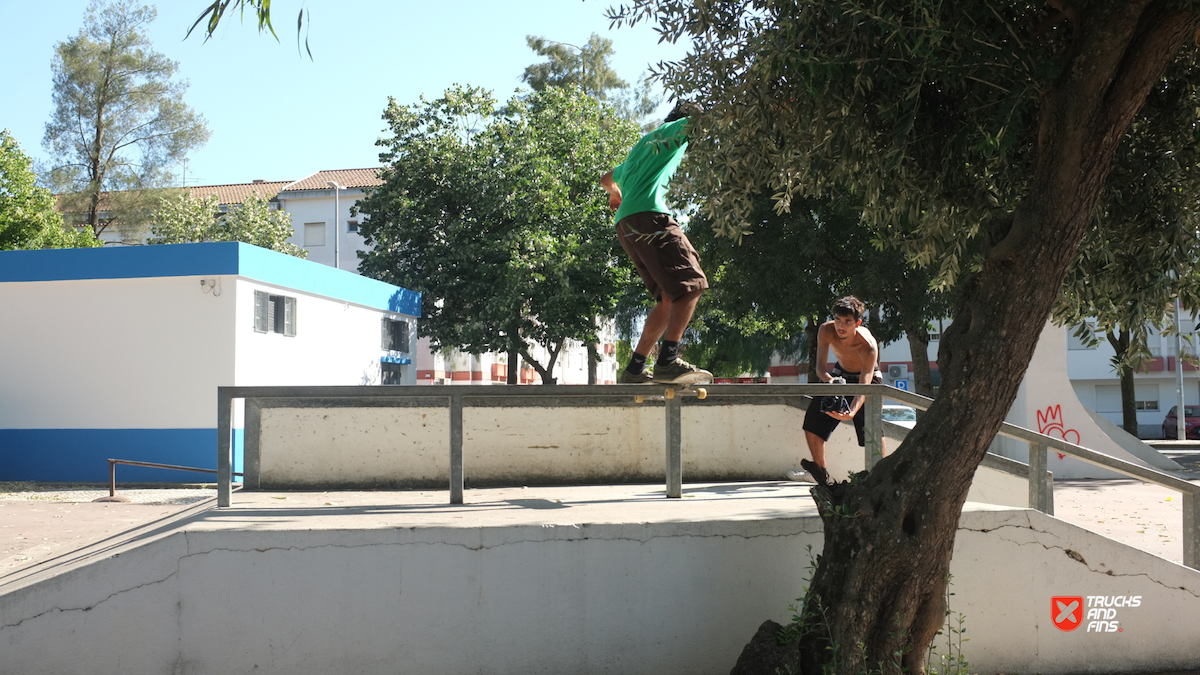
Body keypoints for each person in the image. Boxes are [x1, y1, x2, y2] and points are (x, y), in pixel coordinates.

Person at [600, 102, 712, 384]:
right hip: (651, 217)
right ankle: (667, 361)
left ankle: (635, 369)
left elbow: (606, 179)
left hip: (626, 224)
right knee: (692, 283)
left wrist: (615, 195)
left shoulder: (642, 148)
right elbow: (711, 117)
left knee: (666, 298)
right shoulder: (675, 129)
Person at [790, 296, 885, 486]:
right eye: (838, 320)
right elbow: (820, 368)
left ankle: (880, 477)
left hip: (867, 379)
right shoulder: (826, 330)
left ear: (857, 323)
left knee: (872, 430)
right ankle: (820, 473)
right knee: (812, 423)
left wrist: (852, 412)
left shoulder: (868, 345)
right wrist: (833, 382)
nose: (841, 326)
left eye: (847, 322)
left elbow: (864, 384)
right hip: (838, 375)